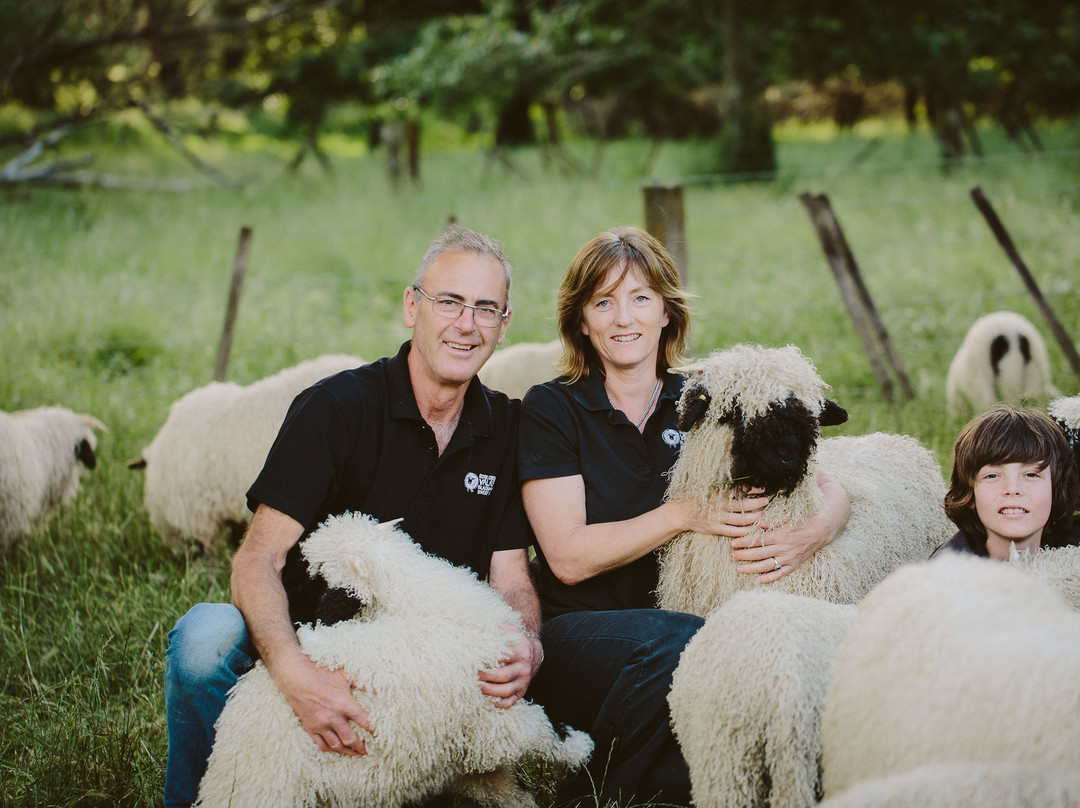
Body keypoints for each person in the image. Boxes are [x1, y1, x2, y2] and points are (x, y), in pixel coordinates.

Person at [163, 225, 543, 808]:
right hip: (305, 639)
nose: (467, 324)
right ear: (412, 307)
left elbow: (512, 578)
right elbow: (258, 557)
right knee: (203, 640)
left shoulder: (507, 429)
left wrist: (527, 642)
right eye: (449, 302)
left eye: (485, 308)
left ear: (504, 323)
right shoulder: (335, 408)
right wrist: (293, 671)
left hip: (418, 669)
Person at [517, 225, 851, 807]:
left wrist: (815, 531)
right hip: (582, 635)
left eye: (641, 298)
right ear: (582, 321)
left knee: (694, 782)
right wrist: (683, 514)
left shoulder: (702, 394)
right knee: (687, 640)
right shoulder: (554, 407)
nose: (625, 318)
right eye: (604, 302)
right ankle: (590, 796)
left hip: (682, 632)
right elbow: (567, 557)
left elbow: (827, 481)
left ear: (667, 313)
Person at [933, 404, 1080, 559]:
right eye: (992, 476)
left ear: (1057, 490)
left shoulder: (1073, 559)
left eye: (1031, 474)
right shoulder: (947, 572)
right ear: (969, 493)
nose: (1012, 488)